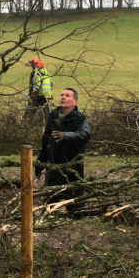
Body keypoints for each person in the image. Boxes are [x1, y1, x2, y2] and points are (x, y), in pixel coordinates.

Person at [35, 87, 90, 216]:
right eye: (61, 95)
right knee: (49, 209)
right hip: (53, 169)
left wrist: (66, 136)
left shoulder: (80, 118)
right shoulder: (53, 116)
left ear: (74, 102)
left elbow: (85, 135)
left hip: (72, 169)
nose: (63, 97)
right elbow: (45, 142)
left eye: (67, 95)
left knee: (76, 210)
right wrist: (39, 161)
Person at [25, 57, 52, 121]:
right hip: (46, 95)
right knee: (47, 112)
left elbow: (37, 84)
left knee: (31, 109)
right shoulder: (47, 74)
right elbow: (51, 85)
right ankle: (49, 123)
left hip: (38, 95)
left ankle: (27, 122)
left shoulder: (37, 74)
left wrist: (33, 92)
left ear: (35, 66)